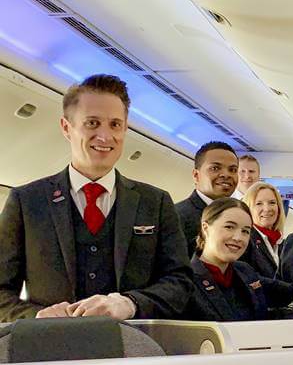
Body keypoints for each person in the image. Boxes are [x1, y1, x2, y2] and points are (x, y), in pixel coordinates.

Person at [0, 74, 192, 321]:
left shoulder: (155, 202)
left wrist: (130, 303)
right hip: (52, 349)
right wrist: (37, 317)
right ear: (66, 128)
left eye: (115, 125)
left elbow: (180, 282)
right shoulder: (27, 201)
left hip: (135, 349)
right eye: (92, 123)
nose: (105, 136)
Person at [183, 198, 292, 321]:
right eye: (229, 227)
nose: (238, 237)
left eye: (245, 231)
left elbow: (288, 293)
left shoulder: (244, 271)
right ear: (206, 228)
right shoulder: (184, 281)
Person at [175, 141, 239, 257]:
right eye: (215, 168)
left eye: (232, 170)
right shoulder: (177, 217)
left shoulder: (239, 217)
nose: (226, 174)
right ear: (196, 175)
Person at [241, 182, 287, 279]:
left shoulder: (285, 243)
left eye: (272, 203)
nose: (266, 209)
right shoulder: (245, 242)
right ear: (248, 209)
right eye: (259, 203)